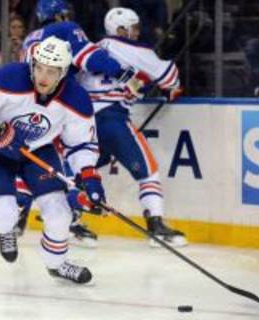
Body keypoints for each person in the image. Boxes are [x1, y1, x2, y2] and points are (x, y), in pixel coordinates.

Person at [0, 36, 105, 284]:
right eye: (39, 68)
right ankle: (6, 230)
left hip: (37, 151)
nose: (42, 76)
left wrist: (89, 175)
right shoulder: (9, 77)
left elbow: (82, 143)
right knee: (3, 215)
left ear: (63, 73)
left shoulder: (77, 99)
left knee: (60, 213)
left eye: (51, 72)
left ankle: (57, 264)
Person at [16, 0, 146, 246]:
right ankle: (70, 212)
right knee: (74, 156)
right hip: (56, 101)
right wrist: (126, 75)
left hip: (29, 104)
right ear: (61, 15)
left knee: (44, 159)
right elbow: (92, 57)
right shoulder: (65, 30)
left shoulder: (30, 37)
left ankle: (23, 204)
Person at [77, 7, 186, 247]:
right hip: (111, 119)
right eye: (134, 28)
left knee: (82, 171)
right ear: (121, 30)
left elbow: (123, 85)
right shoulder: (132, 48)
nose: (137, 33)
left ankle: (69, 219)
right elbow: (169, 77)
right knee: (148, 171)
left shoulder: (91, 49)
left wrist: (140, 86)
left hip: (83, 122)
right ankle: (156, 225)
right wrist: (172, 87)